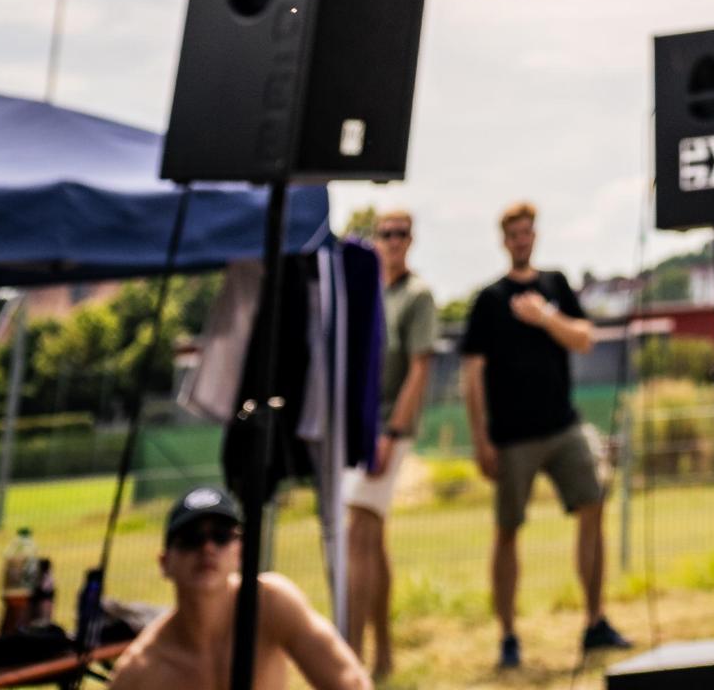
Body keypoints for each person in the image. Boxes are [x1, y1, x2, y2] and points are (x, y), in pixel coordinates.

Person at [459, 201, 625, 670]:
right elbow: (471, 374)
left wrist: (545, 317)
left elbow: (584, 337)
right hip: (511, 438)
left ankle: (595, 621)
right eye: (513, 234)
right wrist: (480, 440)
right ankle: (508, 636)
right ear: (503, 239)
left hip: (563, 426)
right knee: (508, 530)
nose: (521, 240)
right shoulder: (488, 300)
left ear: (535, 235)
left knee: (593, 506)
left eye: (527, 232)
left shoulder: (554, 285)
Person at [109, 486, 368, 690]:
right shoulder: (140, 671)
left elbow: (350, 682)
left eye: (221, 535)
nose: (207, 548)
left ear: (241, 552)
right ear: (165, 563)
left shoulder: (270, 603)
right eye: (191, 539)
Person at [342, 204, 437, 679]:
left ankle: (349, 659)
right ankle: (382, 656)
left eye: (401, 233)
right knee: (371, 540)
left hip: (386, 432)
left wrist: (391, 434)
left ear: (411, 239)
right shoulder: (365, 291)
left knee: (357, 530)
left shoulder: (417, 296)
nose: (393, 241)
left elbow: (419, 370)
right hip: (356, 427)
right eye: (385, 233)